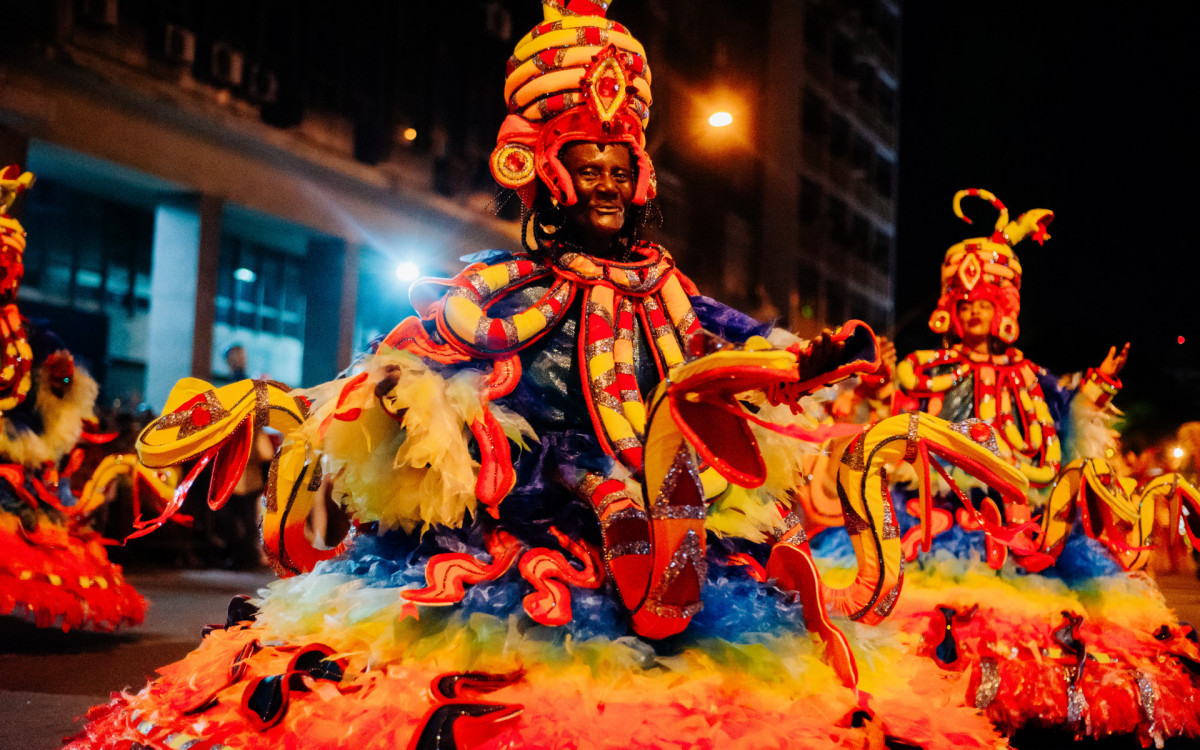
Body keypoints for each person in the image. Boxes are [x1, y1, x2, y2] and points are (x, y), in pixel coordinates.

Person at [63, 8, 1200, 750]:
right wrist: (359, 393)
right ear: (544, 169)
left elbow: (730, 335)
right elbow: (427, 351)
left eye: (621, 162)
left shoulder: (666, 285)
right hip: (539, 506)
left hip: (673, 511)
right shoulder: (505, 280)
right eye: (586, 162)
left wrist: (817, 355)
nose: (606, 179)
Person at [0, 165, 146, 632]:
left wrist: (61, 378)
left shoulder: (29, 331)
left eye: (12, 263)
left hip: (19, 445)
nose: (8, 271)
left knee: (34, 519)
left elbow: (60, 380)